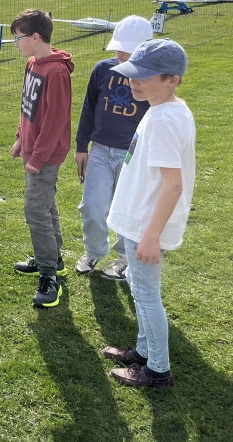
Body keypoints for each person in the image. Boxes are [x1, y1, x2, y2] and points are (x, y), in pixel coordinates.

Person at [101, 39, 195, 388]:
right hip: (138, 221)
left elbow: (173, 185)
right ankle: (143, 351)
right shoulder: (162, 110)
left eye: (144, 77)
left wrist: (152, 236)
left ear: (173, 79)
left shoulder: (164, 120)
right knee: (138, 286)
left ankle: (157, 370)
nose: (133, 82)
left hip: (146, 225)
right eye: (132, 75)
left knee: (145, 293)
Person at [74, 16, 153, 279]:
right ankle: (94, 251)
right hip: (99, 150)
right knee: (92, 207)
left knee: (127, 210)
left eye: (126, 48)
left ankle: (123, 258)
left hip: (133, 155)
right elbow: (89, 108)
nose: (119, 52)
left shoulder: (153, 77)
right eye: (118, 46)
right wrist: (81, 146)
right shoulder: (102, 69)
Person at [10, 9, 74, 308]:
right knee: (46, 205)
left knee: (35, 211)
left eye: (19, 38)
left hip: (45, 156)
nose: (17, 44)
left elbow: (55, 121)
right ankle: (54, 258)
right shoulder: (33, 63)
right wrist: (20, 138)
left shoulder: (56, 71)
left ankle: (50, 277)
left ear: (37, 37)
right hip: (32, 149)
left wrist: (37, 157)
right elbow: (28, 107)